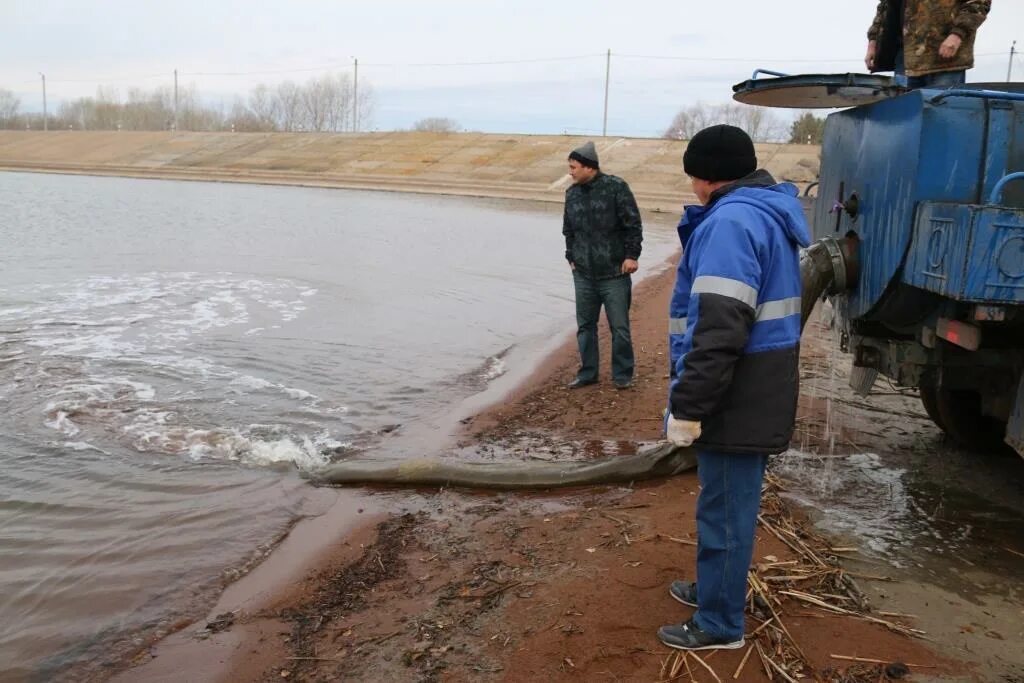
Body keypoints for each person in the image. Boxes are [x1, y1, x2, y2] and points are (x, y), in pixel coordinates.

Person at [658, 125, 809, 651]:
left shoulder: (732, 222)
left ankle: (720, 625)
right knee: (725, 503)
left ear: (706, 176)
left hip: (736, 392)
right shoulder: (762, 211)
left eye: (694, 177)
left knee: (724, 510)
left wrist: (689, 406)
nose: (693, 189)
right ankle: (714, 591)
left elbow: (720, 328)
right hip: (755, 385)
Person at [562, 141, 643, 390]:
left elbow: (633, 225)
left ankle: (622, 374)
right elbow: (568, 230)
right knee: (585, 326)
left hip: (615, 273)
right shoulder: (571, 193)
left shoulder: (616, 188)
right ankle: (588, 373)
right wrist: (571, 257)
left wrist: (632, 256)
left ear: (589, 167)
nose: (570, 172)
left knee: (619, 326)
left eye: (574, 167)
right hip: (583, 274)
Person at [865, 0, 991, 88]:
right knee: (904, 116)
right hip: (905, 59)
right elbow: (884, 7)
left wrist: (957, 34)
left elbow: (978, 3)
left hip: (944, 61)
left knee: (942, 114)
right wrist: (873, 42)